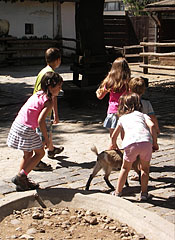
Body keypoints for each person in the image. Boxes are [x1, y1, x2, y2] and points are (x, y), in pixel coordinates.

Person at [7, 72, 63, 191]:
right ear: (50, 87)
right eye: (58, 86)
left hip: (18, 124)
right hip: (26, 129)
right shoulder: (48, 101)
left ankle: (21, 181)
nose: (60, 89)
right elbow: (41, 120)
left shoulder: (39, 94)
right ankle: (21, 177)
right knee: (40, 153)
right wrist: (47, 140)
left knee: (28, 154)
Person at [109, 93, 159, 201]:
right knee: (145, 169)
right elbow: (152, 125)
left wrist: (114, 143)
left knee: (125, 168)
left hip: (131, 144)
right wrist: (154, 142)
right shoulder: (143, 115)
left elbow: (114, 135)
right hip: (146, 142)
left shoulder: (123, 118)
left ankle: (118, 192)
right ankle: (144, 193)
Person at [33, 48, 64, 171]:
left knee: (48, 130)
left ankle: (51, 150)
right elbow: (53, 96)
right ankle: (37, 161)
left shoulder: (43, 71)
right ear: (57, 60)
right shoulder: (52, 76)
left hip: (38, 106)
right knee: (42, 134)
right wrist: (56, 114)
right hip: (44, 108)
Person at [96, 57, 131, 137]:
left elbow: (100, 96)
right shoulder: (128, 82)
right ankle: (126, 146)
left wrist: (97, 92)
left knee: (113, 133)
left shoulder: (109, 82)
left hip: (113, 110)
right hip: (125, 110)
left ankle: (113, 145)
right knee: (124, 133)